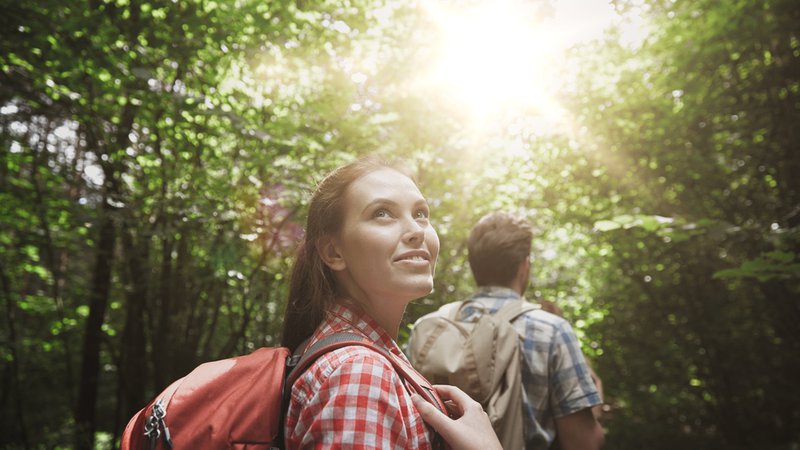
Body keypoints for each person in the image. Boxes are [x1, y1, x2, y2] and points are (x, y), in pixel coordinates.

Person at [281, 156, 501, 450]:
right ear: (333, 251)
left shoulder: (359, 357)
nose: (417, 230)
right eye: (382, 213)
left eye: (421, 213)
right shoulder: (359, 372)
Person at [415, 211, 605, 450]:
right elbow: (583, 442)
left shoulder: (429, 325)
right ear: (525, 265)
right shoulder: (551, 329)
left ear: (474, 264)